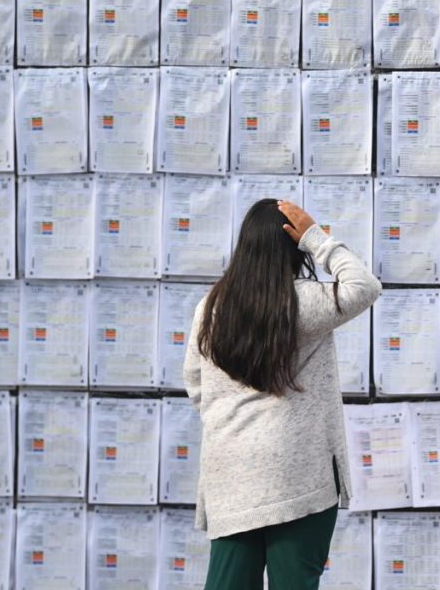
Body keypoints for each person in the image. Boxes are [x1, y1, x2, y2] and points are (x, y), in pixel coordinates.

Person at [183, 199, 381, 590]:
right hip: (298, 474)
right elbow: (364, 286)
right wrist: (316, 239)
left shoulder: (212, 307)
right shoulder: (304, 301)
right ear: (292, 249)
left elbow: (195, 383)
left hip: (231, 473)